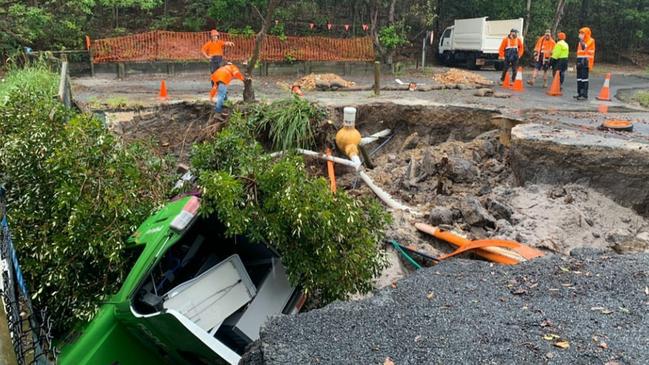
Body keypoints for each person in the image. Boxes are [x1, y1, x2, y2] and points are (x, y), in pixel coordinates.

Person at [574, 27, 596, 100]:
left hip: (586, 61)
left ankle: (584, 95)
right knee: (579, 78)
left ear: (586, 33)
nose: (580, 34)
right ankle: (579, 93)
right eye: (580, 33)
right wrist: (576, 62)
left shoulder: (591, 40)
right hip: (579, 60)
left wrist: (581, 40)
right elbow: (578, 52)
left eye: (582, 33)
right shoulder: (580, 42)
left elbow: (584, 47)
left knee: (584, 78)